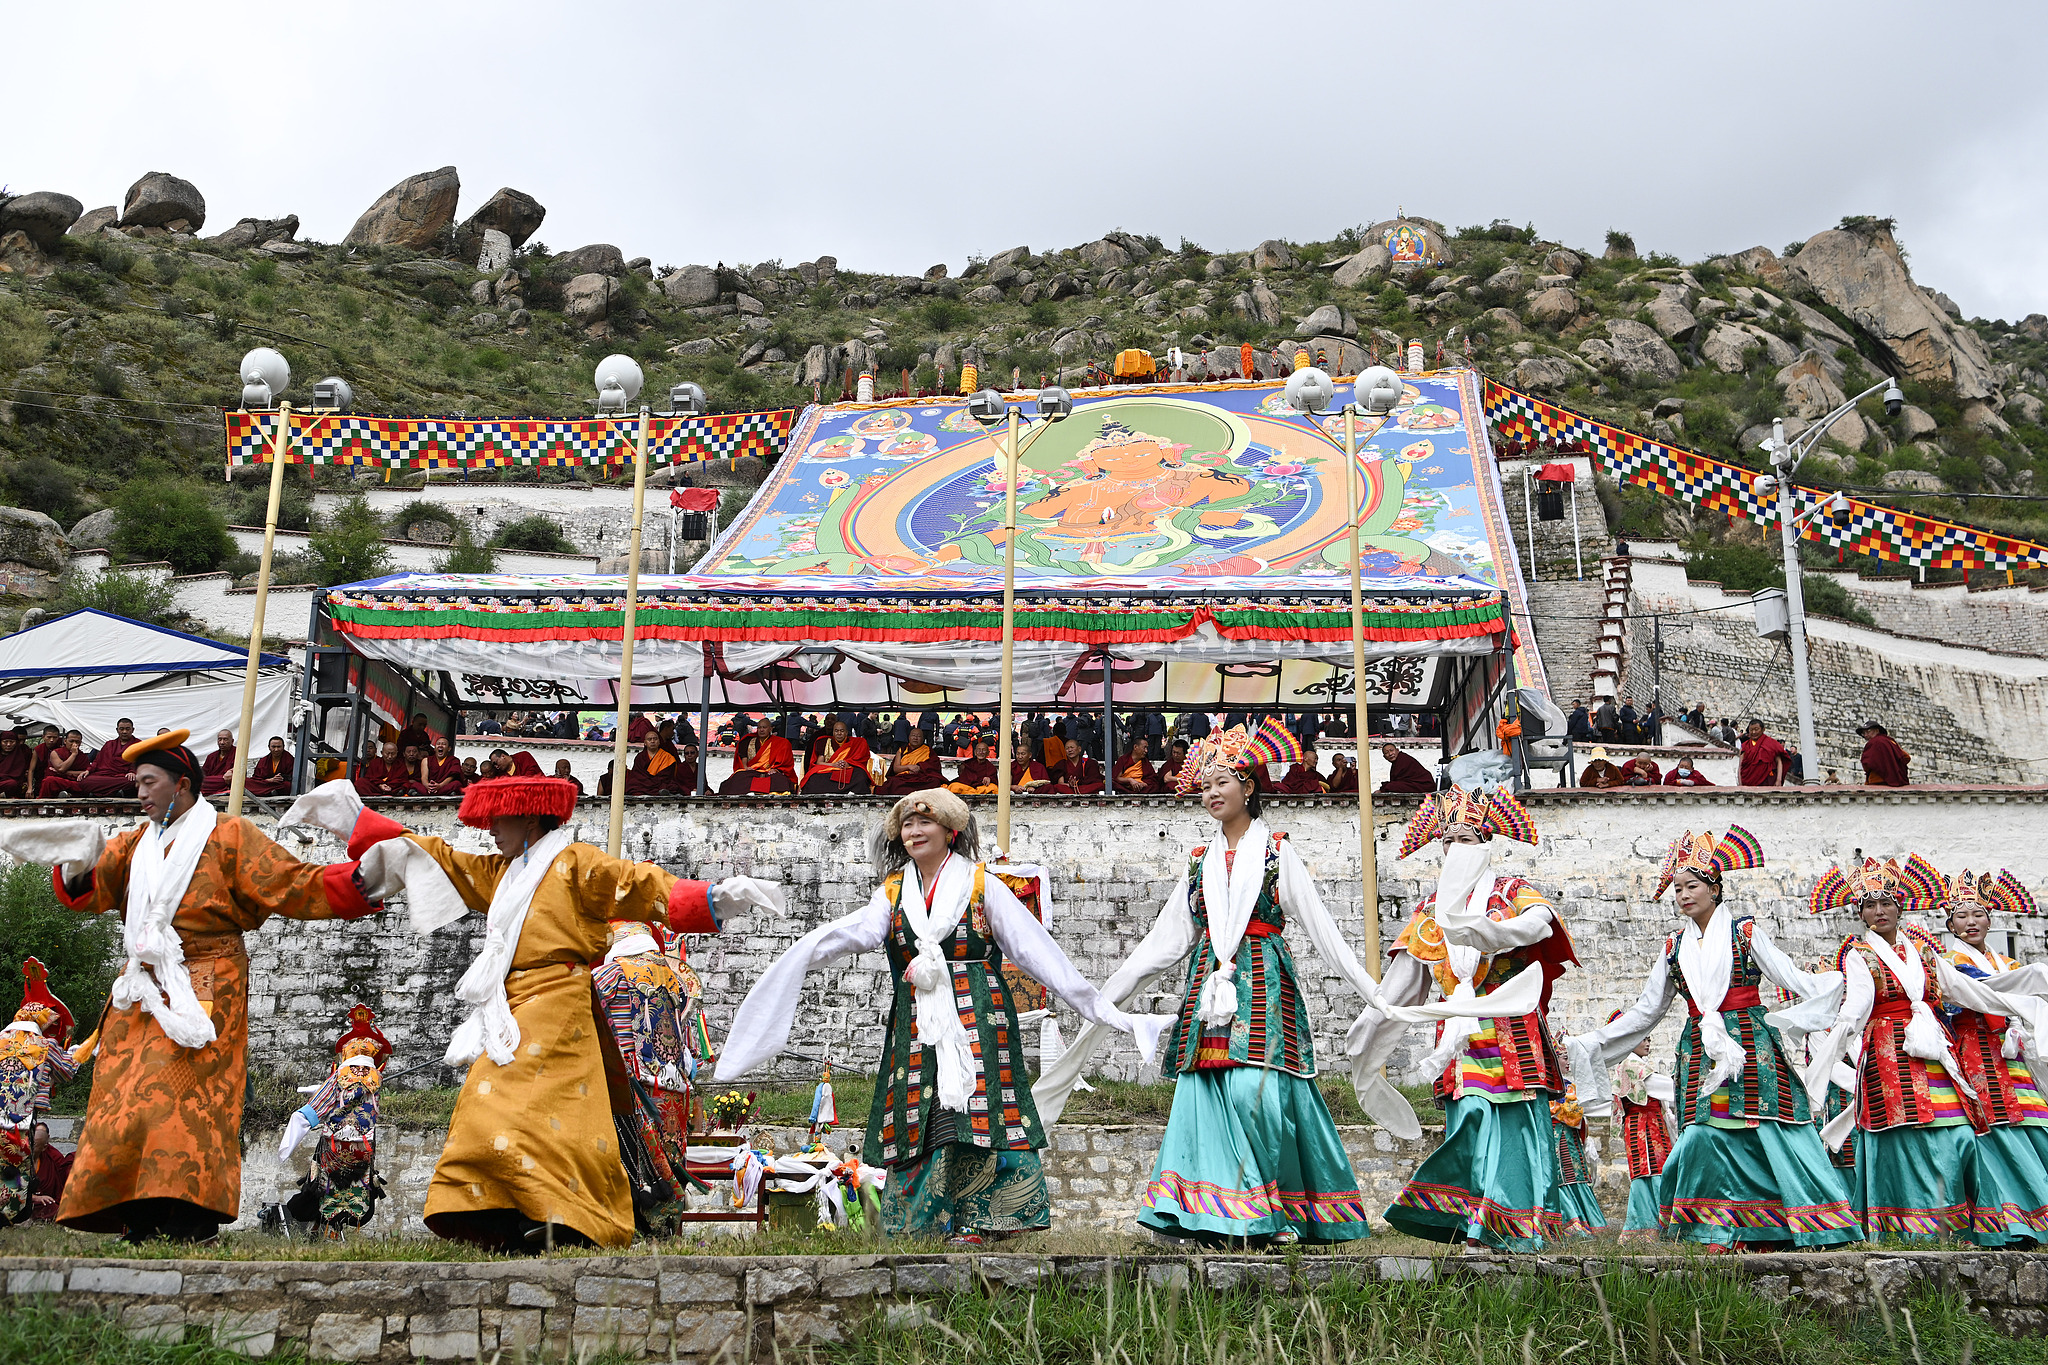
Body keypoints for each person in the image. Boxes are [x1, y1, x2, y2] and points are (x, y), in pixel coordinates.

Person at [279, 768, 781, 1249]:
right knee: (492, 1106)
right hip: (511, 1002)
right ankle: (503, 1213)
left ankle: (557, 1214)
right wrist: (358, 820)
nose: (491, 829)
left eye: (501, 820)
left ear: (532, 819)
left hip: (560, 1003)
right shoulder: (502, 874)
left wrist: (714, 897)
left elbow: (639, 884)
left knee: (514, 1106)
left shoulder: (577, 863)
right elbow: (439, 859)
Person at [720, 788, 1154, 1243]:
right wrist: (801, 955)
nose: (913, 832)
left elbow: (1036, 953)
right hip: (917, 1020)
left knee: (976, 1110)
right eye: (907, 825)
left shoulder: (983, 885)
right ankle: (919, 1223)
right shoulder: (892, 892)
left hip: (979, 1018)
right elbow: (857, 934)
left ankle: (985, 1222)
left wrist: (1099, 1007)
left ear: (952, 831)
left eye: (924, 823)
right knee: (919, 1111)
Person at [0, 729, 381, 1241]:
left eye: (148, 782)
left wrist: (362, 881)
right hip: (139, 988)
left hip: (208, 984)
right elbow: (93, 889)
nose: (139, 793)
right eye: (136, 783)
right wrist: (76, 862)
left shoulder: (230, 837)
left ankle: (189, 1217)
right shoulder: (135, 842)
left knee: (183, 1105)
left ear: (181, 785)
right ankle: (135, 1216)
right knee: (122, 1099)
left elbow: (292, 884)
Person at [1037, 721, 1393, 1246]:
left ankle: (1268, 1207)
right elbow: (1162, 944)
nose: (1210, 792)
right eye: (1204, 784)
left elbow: (1324, 931)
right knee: (1203, 1090)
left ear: (1249, 786)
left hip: (1264, 982)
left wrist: (1376, 995)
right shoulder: (1198, 862)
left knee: (1259, 1092)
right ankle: (1215, 1213)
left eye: (1221, 781)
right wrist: (1102, 998)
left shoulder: (1277, 853)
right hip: (1208, 982)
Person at [1567, 829, 1858, 1251]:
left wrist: (1834, 987)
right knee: (1707, 1134)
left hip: (1752, 1042)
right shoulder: (1673, 948)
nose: (1684, 895)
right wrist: (1594, 1041)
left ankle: (1808, 1222)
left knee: (1770, 1129)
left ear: (1715, 888)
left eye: (1693, 886)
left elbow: (1789, 976)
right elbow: (1647, 1012)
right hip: (1701, 1046)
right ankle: (1720, 1227)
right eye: (1677, 888)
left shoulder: (1745, 933)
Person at [1351, 786, 1574, 1252]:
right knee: (1471, 1110)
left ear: (1487, 842)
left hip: (1512, 1025)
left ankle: (1518, 1218)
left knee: (1518, 1120)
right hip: (1460, 1031)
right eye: (1448, 840)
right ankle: (1473, 1217)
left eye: (1467, 839)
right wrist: (1371, 1019)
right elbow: (1404, 979)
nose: (1456, 848)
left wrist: (1493, 932)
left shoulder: (1510, 891)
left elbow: (1540, 924)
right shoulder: (1432, 912)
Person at [1804, 856, 2038, 1243]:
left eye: (1886, 903)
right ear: (1861, 913)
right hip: (1887, 1053)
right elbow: (1856, 1007)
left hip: (1933, 1048)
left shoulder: (1925, 953)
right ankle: (1908, 1224)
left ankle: (1965, 1223)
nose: (1879, 911)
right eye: (1870, 905)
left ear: (1899, 906)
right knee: (1905, 1132)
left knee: (1959, 1130)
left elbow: (1967, 991)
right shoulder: (1859, 955)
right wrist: (1830, 1047)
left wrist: (2025, 1002)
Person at [1936, 865, 2048, 1245]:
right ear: (1950, 925)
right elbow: (1979, 992)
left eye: (1978, 914)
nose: (1971, 922)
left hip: (2011, 1052)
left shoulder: (2007, 965)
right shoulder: (1950, 965)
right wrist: (2033, 977)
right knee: (1994, 1129)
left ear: (1990, 919)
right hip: (1976, 1052)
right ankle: (2009, 1220)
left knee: (2033, 1123)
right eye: (1962, 916)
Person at [593, 921, 701, 1234]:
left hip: (633, 1086)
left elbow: (585, 1007)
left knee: (637, 1162)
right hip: (677, 1086)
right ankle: (669, 1229)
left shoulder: (611, 973)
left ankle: (636, 1227)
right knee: (671, 1155)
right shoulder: (678, 975)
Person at [277, 1006, 392, 1237]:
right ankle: (335, 1228)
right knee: (353, 1188)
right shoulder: (376, 1080)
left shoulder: (339, 1076)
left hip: (333, 1149)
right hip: (363, 1148)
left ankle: (321, 1228)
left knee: (323, 1187)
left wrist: (291, 1137)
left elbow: (316, 1109)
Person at [0, 958, 79, 1224]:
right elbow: (67, 1069)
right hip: (17, 1124)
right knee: (14, 1171)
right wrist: (80, 1051)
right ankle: (11, 1216)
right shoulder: (42, 1044)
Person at [1609, 1028, 1673, 1243]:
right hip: (1643, 1124)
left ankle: (1653, 1225)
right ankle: (1651, 1226)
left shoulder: (1636, 1064)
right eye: (1643, 1039)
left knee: (1654, 1169)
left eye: (1649, 1039)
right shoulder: (1631, 1064)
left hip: (1649, 1123)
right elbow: (1658, 1086)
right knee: (1652, 1170)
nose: (1648, 1043)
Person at [1548, 1080, 1605, 1238]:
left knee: (1574, 1176)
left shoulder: (1568, 1085)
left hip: (1569, 1138)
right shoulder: (1546, 1086)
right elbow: (1572, 1112)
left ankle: (1583, 1222)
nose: (1567, 1062)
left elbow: (1574, 1113)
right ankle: (1570, 1222)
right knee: (1560, 1178)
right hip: (1553, 1136)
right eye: (1563, 1057)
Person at [719, 717, 797, 796]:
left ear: (770, 729)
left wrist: (777, 769)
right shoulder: (748, 741)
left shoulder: (781, 742)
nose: (761, 730)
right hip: (752, 771)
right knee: (738, 777)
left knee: (779, 779)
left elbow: (784, 762)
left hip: (770, 772)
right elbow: (743, 758)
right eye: (759, 727)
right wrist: (745, 767)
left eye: (764, 727)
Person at [801, 719, 872, 796]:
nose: (839, 733)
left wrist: (848, 763)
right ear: (833, 733)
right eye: (836, 731)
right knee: (813, 777)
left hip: (847, 769)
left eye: (841, 731)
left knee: (861, 774)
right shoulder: (824, 742)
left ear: (846, 733)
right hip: (829, 769)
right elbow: (819, 762)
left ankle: (853, 792)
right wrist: (834, 765)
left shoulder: (855, 743)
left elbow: (859, 760)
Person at [876, 725, 942, 797]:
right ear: (909, 737)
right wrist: (908, 767)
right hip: (904, 778)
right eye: (913, 735)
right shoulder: (902, 750)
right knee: (893, 782)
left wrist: (920, 768)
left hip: (921, 778)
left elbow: (933, 768)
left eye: (918, 736)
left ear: (923, 739)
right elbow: (896, 769)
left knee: (935, 781)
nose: (915, 738)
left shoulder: (928, 751)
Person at [28, 1121, 71, 1221]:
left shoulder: (51, 1158)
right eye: (28, 1143)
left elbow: (61, 1179)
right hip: (22, 1200)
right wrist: (33, 1197)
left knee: (53, 1208)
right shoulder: (16, 1159)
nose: (29, 1148)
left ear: (44, 1147)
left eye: (34, 1146)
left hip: (44, 1202)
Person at [624, 732, 683, 796]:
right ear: (645, 743)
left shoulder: (667, 757)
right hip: (644, 784)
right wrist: (648, 782)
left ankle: (661, 791)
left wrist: (651, 782)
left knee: (672, 786)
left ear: (659, 742)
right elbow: (637, 774)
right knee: (633, 784)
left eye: (655, 739)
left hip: (659, 783)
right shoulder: (640, 757)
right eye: (649, 739)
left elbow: (667, 777)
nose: (652, 741)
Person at [1858, 721, 1912, 787]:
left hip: (1877, 781)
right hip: (1898, 781)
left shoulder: (1873, 743)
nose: (1866, 735)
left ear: (1877, 730)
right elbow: (1906, 757)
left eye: (1868, 731)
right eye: (1863, 733)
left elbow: (1867, 764)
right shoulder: (1891, 741)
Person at [1739, 720, 1789, 787]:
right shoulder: (1745, 746)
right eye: (1751, 730)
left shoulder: (1771, 743)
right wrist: (1740, 783)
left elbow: (1779, 762)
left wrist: (1778, 780)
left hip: (1768, 782)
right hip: (1748, 782)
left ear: (1763, 729)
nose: (1753, 732)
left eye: (1756, 729)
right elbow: (1740, 766)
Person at [199, 731, 238, 797]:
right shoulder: (211, 756)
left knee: (226, 779)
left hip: (226, 781)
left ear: (232, 741)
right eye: (220, 739)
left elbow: (241, 770)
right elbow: (203, 773)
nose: (222, 742)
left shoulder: (238, 753)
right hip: (213, 782)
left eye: (225, 739)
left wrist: (232, 770)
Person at [0, 730, 29, 798]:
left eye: (12, 742)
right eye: (5, 742)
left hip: (9, 784)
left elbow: (17, 776)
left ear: (16, 743)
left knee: (12, 783)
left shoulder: (19, 756)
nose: (8, 744)